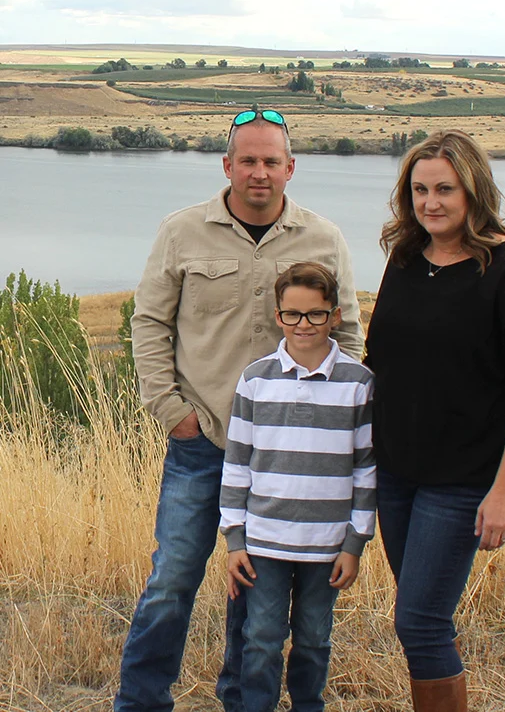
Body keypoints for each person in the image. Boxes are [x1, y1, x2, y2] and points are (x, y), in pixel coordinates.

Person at [115, 109, 364, 712]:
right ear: (226, 165)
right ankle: (141, 702)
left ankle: (239, 700)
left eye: (270, 161)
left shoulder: (324, 238)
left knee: (253, 589)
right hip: (203, 441)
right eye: (247, 160)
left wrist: (328, 426)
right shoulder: (182, 232)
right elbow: (149, 323)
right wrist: (172, 411)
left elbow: (349, 336)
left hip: (284, 456)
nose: (259, 172)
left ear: (290, 168)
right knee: (174, 577)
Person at [364, 129, 505, 712]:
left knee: (420, 621)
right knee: (420, 617)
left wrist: (504, 492)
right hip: (395, 475)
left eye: (445, 189)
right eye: (420, 190)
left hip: (462, 482)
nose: (431, 203)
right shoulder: (406, 258)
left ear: (474, 190)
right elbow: (381, 359)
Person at [220, 261, 375, 712]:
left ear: (335, 315)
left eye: (315, 314)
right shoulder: (256, 380)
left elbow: (366, 470)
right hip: (264, 543)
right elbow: (238, 465)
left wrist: (354, 543)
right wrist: (234, 539)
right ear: (277, 315)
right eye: (292, 314)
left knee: (313, 639)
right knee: (261, 637)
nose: (303, 324)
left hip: (327, 546)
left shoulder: (358, 384)